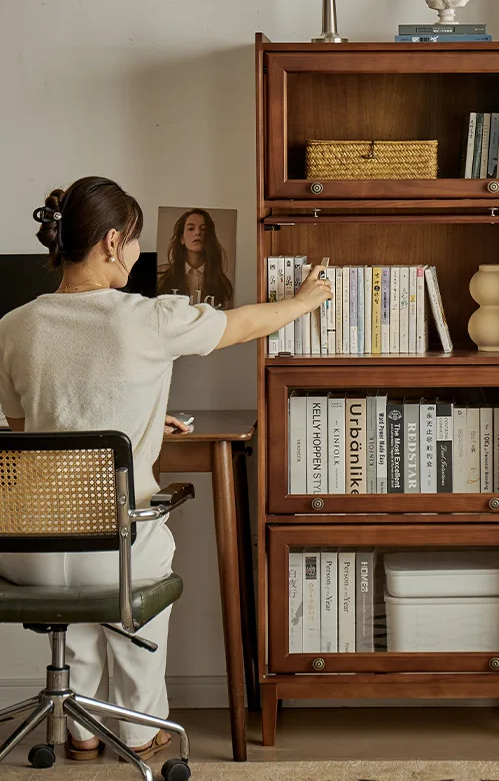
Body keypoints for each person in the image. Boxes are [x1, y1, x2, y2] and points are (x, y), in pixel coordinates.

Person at [0, 176, 331, 761]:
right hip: (116, 548)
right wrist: (305, 301)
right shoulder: (146, 318)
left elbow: (28, 432)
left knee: (71, 602)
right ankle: (136, 729)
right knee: (130, 596)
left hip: (28, 549)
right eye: (132, 241)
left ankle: (76, 730)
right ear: (109, 242)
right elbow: (241, 325)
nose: (134, 253)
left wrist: (146, 422)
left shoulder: (12, 326)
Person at [157, 208, 234, 310]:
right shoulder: (163, 277)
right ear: (182, 239)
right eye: (191, 228)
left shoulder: (222, 283)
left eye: (203, 229)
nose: (197, 232)